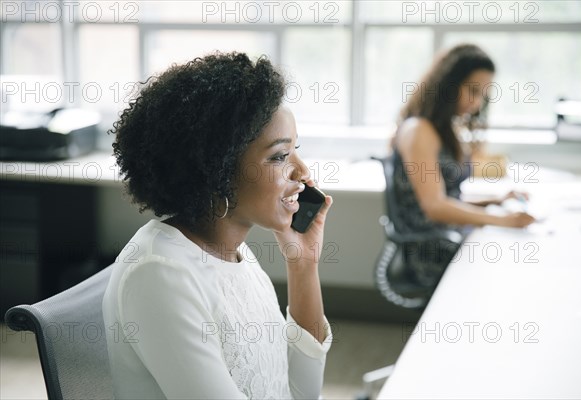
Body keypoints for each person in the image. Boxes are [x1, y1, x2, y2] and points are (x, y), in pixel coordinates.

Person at [102, 52, 334, 399]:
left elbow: (299, 393)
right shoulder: (160, 275)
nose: (303, 173)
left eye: (294, 151)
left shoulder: (236, 253)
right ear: (216, 170)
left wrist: (303, 266)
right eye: (279, 157)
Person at [390, 44, 535, 285]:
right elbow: (434, 206)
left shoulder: (442, 129)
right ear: (448, 84)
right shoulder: (419, 131)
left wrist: (494, 201)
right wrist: (504, 220)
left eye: (483, 95)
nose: (477, 104)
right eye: (472, 90)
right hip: (428, 251)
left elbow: (446, 197)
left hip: (448, 236)